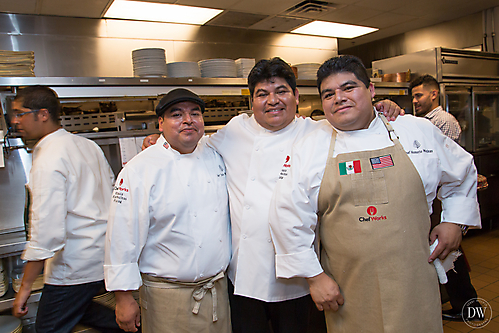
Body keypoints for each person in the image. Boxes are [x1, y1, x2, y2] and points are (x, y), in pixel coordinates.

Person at [142, 57, 404, 333]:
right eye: (262, 94)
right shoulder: (234, 131)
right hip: (244, 275)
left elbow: (362, 129)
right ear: (251, 101)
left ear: (296, 96)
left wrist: (382, 109)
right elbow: (191, 143)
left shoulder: (320, 132)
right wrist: (158, 141)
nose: (272, 100)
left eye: (281, 91)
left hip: (302, 278)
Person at [269, 55, 481, 333]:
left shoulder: (416, 131)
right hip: (347, 290)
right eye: (328, 93)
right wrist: (314, 277)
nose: (339, 98)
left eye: (349, 88)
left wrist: (455, 220)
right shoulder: (310, 146)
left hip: (413, 281)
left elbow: (462, 171)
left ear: (370, 90)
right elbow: (286, 215)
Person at [104, 88, 231, 333]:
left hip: (217, 291)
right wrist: (123, 297)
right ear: (160, 123)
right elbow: (121, 236)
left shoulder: (215, 156)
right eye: (177, 114)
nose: (188, 120)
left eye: (195, 113)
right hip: (166, 297)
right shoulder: (139, 169)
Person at [11, 86, 121, 333]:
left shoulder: (49, 158)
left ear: (42, 114)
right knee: (94, 316)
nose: (15, 121)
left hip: (72, 266)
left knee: (48, 329)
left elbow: (46, 231)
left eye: (20, 113)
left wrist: (25, 287)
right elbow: (112, 195)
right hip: (99, 257)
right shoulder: (87, 145)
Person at [411, 74, 480, 321]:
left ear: (434, 94)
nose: (415, 101)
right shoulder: (419, 121)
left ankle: (468, 306)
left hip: (442, 197)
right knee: (446, 251)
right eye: (413, 96)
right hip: (435, 197)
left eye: (419, 95)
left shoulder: (442, 121)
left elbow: (443, 164)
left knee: (450, 252)